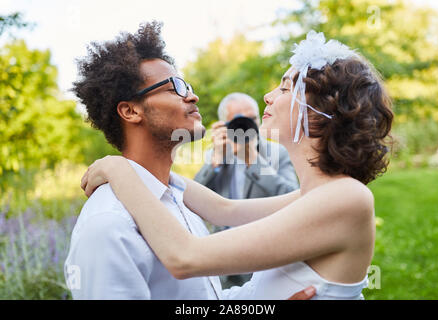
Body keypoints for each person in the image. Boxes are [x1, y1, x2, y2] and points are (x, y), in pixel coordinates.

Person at [82, 30, 394, 300]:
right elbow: (225, 210)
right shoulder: (317, 196)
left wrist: (120, 171)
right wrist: (144, 173)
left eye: (285, 88)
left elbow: (184, 257)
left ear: (319, 112)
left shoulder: (346, 199)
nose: (268, 96)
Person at [64, 22, 314, 300]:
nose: (192, 96)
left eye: (188, 86)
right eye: (176, 88)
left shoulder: (180, 200)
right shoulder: (109, 224)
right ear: (131, 111)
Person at [195, 92, 299, 287]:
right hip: (224, 260)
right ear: (223, 125)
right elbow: (193, 200)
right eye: (238, 121)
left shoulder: (278, 153)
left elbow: (293, 197)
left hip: (268, 260)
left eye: (251, 119)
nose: (246, 127)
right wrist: (214, 163)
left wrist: (253, 160)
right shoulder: (217, 153)